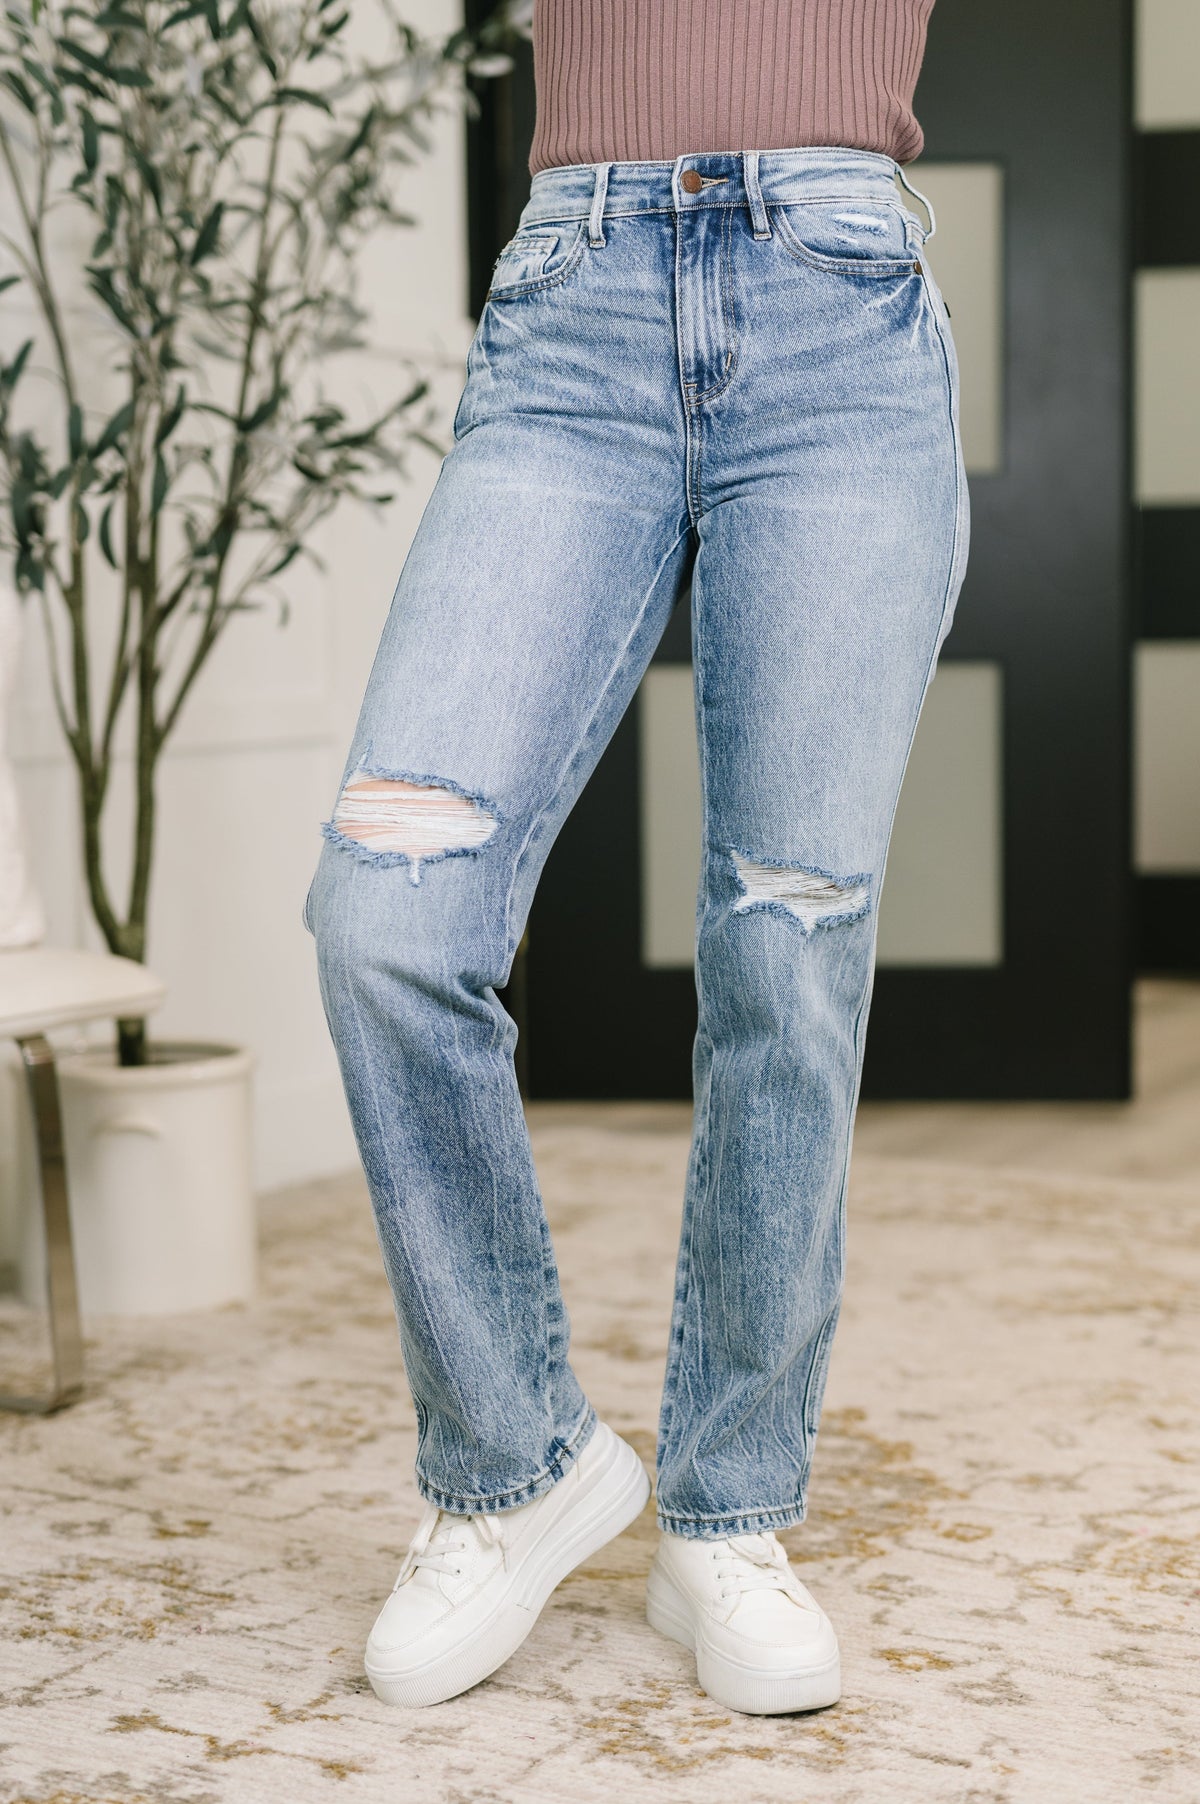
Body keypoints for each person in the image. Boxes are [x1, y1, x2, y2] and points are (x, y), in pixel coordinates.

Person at [306, 0, 965, 1717]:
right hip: (573, 306)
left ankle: (728, 1522)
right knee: (386, 913)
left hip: (840, 308)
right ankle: (514, 1466)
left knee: (788, 947)